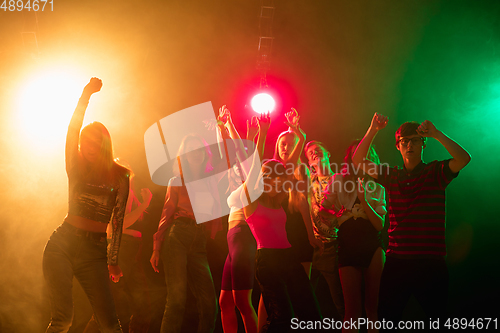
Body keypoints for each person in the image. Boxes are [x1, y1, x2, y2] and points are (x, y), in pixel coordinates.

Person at [352, 113, 471, 327]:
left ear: (422, 144)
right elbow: (358, 160)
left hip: (430, 262)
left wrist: (436, 134)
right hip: (397, 261)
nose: (409, 145)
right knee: (387, 321)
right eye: (404, 142)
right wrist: (373, 130)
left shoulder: (435, 172)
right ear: (398, 146)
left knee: (438, 321)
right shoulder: (392, 175)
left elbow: (464, 159)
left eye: (414, 140)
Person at [43, 77, 130, 333]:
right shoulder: (76, 167)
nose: (91, 146)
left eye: (96, 141)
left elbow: (118, 220)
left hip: (94, 252)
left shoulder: (120, 176)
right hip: (62, 245)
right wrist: (85, 96)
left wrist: (112, 260)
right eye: (86, 141)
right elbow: (72, 130)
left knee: (111, 325)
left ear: (105, 144)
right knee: (63, 320)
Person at [233, 113, 322, 332]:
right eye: (270, 178)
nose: (276, 181)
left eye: (279, 179)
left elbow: (288, 165)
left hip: (289, 256)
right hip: (268, 260)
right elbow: (253, 167)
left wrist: (300, 137)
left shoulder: (278, 201)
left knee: (310, 314)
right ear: (262, 181)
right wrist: (262, 134)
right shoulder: (252, 201)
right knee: (281, 317)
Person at [150, 134, 222, 333]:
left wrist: (221, 130)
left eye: (199, 149)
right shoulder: (176, 181)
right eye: (191, 151)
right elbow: (166, 214)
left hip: (199, 241)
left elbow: (229, 161)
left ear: (205, 154)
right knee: (177, 301)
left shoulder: (211, 181)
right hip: (178, 235)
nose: (196, 154)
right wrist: (157, 248)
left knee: (209, 304)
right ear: (184, 156)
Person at [321, 140, 386, 332]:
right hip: (348, 243)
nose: (359, 160)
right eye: (355, 156)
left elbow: (379, 225)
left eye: (365, 156)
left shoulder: (378, 186)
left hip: (372, 244)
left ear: (371, 159)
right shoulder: (338, 180)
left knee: (372, 308)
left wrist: (364, 200)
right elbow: (323, 209)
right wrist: (336, 216)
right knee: (352, 310)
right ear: (349, 159)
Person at [84, 162, 152, 333]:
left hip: (127, 250)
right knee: (124, 305)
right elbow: (116, 227)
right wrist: (145, 205)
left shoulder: (127, 193)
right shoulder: (118, 192)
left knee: (131, 306)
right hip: (122, 249)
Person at [216, 106, 258, 333]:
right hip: (233, 239)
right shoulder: (237, 176)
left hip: (243, 235)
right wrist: (220, 128)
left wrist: (230, 124)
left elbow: (242, 154)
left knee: (242, 302)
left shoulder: (253, 174)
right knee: (225, 302)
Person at [304, 141, 345, 320]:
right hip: (313, 247)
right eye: (310, 152)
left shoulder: (339, 178)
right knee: (304, 299)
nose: (314, 153)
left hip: (334, 245)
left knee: (340, 301)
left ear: (328, 154)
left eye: (318, 150)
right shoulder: (308, 182)